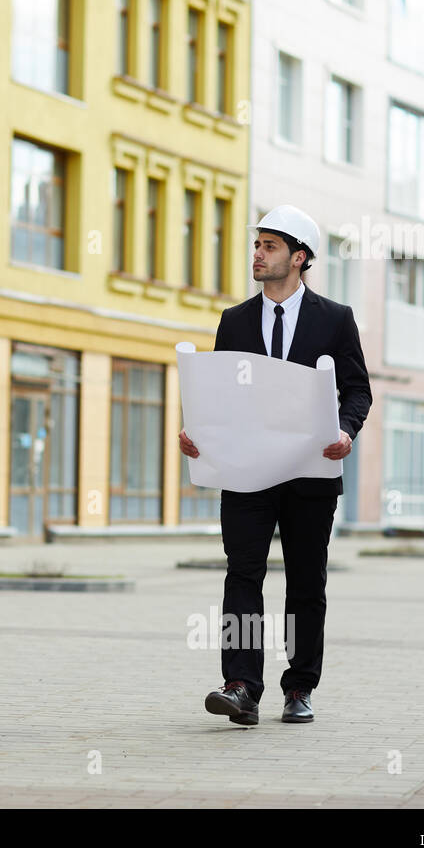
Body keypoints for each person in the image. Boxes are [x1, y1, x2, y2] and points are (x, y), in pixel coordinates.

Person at [178, 205, 372, 726]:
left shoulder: (335, 319)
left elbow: (357, 390)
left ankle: (299, 686)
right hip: (245, 472)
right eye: (256, 245)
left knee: (306, 582)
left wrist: (346, 432)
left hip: (311, 472)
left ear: (299, 257)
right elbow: (217, 397)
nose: (257, 254)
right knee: (242, 574)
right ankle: (240, 685)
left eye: (269, 246)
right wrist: (197, 433)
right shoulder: (234, 321)